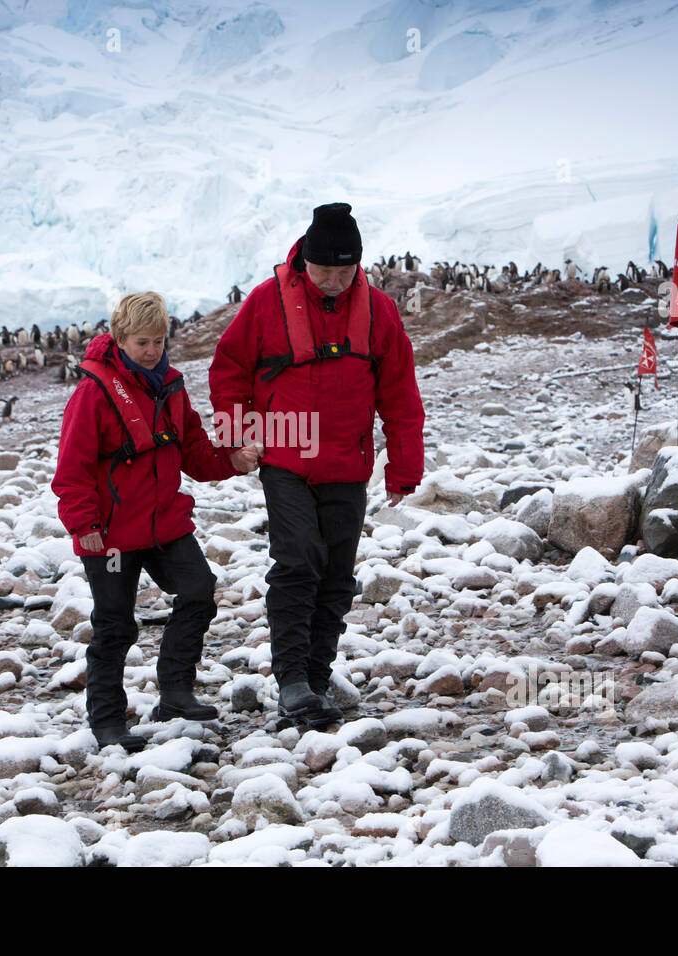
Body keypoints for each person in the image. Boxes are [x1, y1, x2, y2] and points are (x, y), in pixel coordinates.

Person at [209, 202, 425, 727]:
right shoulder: (265, 302)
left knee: (336, 573)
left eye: (343, 271)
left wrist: (404, 467)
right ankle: (292, 681)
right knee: (299, 558)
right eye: (323, 269)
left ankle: (317, 675)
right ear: (305, 259)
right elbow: (229, 369)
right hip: (285, 453)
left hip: (348, 461)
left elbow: (399, 392)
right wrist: (239, 436)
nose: (332, 281)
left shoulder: (379, 310)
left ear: (359, 266)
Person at [53, 292, 262, 752]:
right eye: (143, 342)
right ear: (120, 339)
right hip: (109, 533)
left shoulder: (169, 385)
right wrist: (83, 524)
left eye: (159, 341)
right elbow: (71, 470)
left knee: (198, 590)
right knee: (115, 624)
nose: (152, 351)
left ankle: (175, 691)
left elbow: (193, 450)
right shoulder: (94, 392)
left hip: (164, 523)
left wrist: (234, 461)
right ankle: (107, 720)